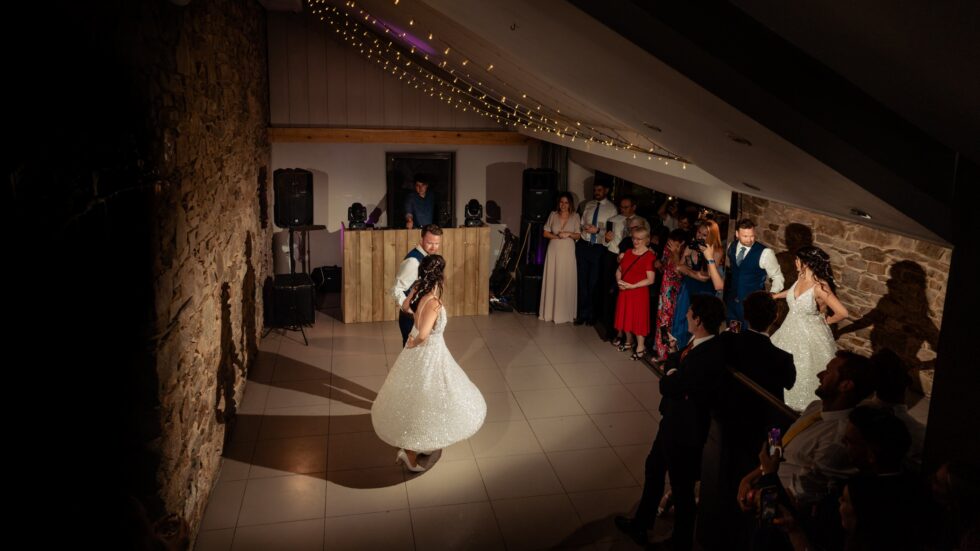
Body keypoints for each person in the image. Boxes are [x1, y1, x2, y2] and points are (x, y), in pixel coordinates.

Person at [615, 295, 728, 550]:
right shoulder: (702, 342)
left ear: (698, 319)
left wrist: (672, 375)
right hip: (673, 422)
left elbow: (668, 385)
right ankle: (641, 524)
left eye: (689, 312)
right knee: (654, 468)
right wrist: (675, 367)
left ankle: (681, 541)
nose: (686, 315)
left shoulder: (706, 355)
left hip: (685, 430)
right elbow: (676, 362)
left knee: (682, 487)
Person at [371, 255, 487, 472]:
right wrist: (416, 342)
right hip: (430, 354)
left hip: (414, 356)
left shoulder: (419, 291)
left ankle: (421, 443)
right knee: (427, 397)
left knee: (417, 396)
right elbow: (425, 334)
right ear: (440, 277)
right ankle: (410, 453)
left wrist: (411, 339)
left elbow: (405, 308)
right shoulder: (434, 303)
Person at [772, 245, 849, 411]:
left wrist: (826, 321)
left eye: (797, 259)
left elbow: (843, 312)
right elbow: (794, 294)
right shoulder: (800, 277)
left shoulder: (820, 287)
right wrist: (777, 295)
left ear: (805, 263)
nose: (795, 262)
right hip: (788, 330)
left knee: (804, 369)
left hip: (810, 336)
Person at [670, 219, 725, 348]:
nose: (699, 236)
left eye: (704, 235)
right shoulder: (690, 247)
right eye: (699, 232)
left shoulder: (716, 251)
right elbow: (678, 269)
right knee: (681, 321)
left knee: (699, 326)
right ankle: (678, 353)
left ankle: (692, 354)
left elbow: (705, 277)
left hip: (704, 292)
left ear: (711, 236)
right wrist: (682, 259)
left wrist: (686, 270)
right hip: (687, 287)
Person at [723, 219, 784, 325]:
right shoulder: (731, 247)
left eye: (752, 236)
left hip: (752, 307)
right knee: (733, 334)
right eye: (745, 236)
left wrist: (771, 296)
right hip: (732, 303)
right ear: (737, 234)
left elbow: (778, 277)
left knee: (748, 337)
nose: (749, 240)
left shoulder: (765, 253)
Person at [390, 225, 442, 346]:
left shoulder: (427, 257)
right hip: (411, 318)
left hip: (422, 314)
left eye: (437, 243)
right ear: (421, 240)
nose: (434, 247)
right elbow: (396, 289)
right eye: (430, 243)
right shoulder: (413, 262)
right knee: (410, 355)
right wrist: (409, 310)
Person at [574, 181, 618, 325]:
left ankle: (592, 315)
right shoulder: (588, 205)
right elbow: (581, 224)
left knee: (594, 282)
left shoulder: (611, 209)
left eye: (599, 189)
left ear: (606, 190)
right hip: (584, 246)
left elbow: (613, 232)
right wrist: (583, 229)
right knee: (582, 282)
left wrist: (598, 231)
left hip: (598, 248)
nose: (596, 192)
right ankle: (582, 314)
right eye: (595, 190)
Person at [611, 227, 656, 360]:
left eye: (639, 239)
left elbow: (651, 279)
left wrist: (633, 286)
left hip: (638, 293)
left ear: (647, 240)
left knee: (638, 319)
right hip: (625, 291)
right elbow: (619, 270)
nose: (636, 241)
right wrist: (619, 281)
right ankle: (628, 342)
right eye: (634, 238)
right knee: (625, 317)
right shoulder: (628, 252)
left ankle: (641, 347)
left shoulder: (649, 256)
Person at [539, 192, 581, 324]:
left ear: (570, 204)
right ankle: (550, 312)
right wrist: (557, 237)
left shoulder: (575, 216)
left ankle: (565, 313)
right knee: (553, 276)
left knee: (565, 278)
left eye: (566, 202)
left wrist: (568, 234)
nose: (563, 205)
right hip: (554, 249)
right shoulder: (553, 215)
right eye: (561, 202)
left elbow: (578, 235)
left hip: (568, 250)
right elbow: (545, 233)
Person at [653, 229, 687, 360]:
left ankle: (670, 355)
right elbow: (664, 269)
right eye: (669, 242)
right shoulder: (667, 250)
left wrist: (675, 253)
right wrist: (659, 265)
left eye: (673, 243)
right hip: (664, 291)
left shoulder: (684, 252)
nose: (670, 245)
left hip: (676, 293)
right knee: (661, 321)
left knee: (671, 322)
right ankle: (661, 353)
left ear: (681, 243)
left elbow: (680, 274)